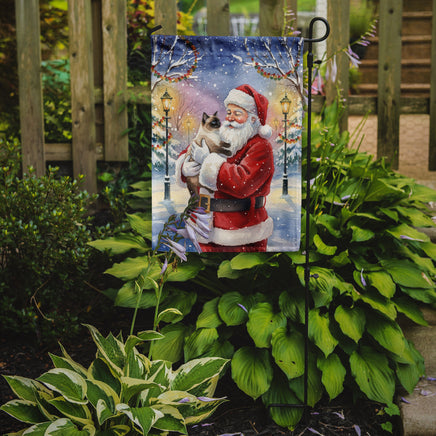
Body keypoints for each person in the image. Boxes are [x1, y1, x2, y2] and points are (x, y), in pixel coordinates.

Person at [176, 84, 275, 252]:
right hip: (204, 226)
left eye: (237, 114)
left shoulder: (260, 147)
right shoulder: (222, 136)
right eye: (229, 112)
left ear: (252, 119)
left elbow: (242, 183)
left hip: (241, 232)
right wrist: (185, 166)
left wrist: (207, 160)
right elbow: (194, 149)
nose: (230, 118)